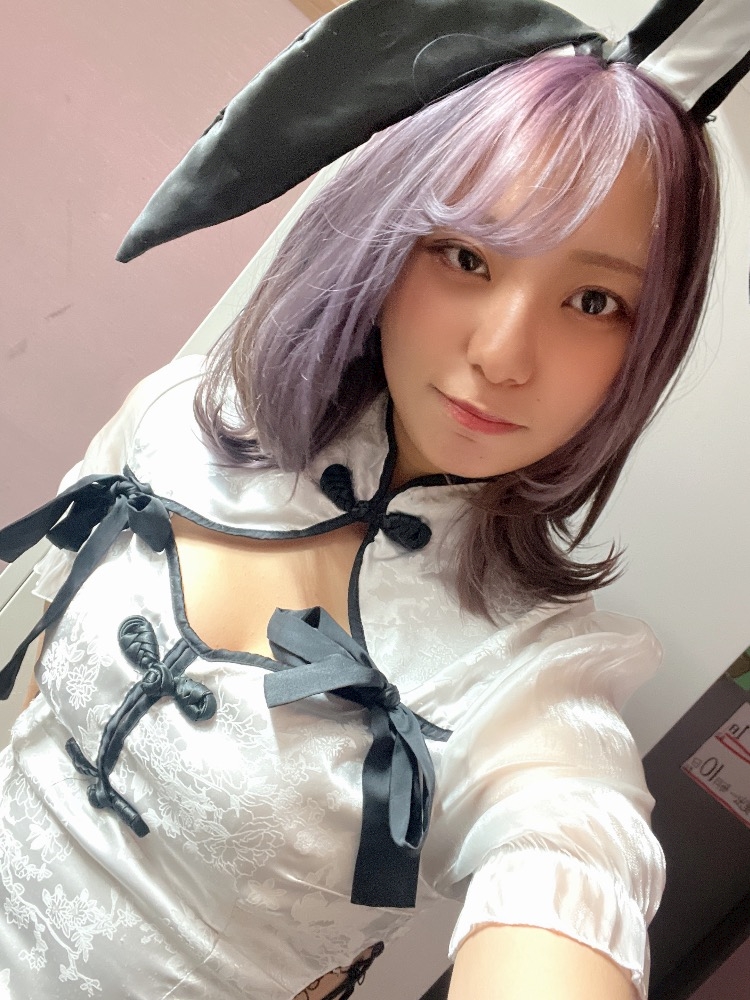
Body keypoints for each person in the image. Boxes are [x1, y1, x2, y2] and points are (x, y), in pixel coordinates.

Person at [0, 1, 745, 997]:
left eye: (594, 301)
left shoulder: (529, 681)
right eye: (467, 257)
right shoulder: (180, 415)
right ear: (388, 241)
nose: (502, 354)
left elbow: (568, 849)